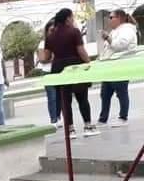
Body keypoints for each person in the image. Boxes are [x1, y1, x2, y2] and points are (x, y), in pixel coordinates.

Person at [40, 8, 98, 137]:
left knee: (65, 100)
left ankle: (70, 129)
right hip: (75, 66)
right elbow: (81, 50)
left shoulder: (50, 36)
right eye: (72, 18)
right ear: (67, 18)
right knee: (82, 97)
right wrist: (89, 63)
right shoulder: (74, 32)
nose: (73, 20)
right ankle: (88, 126)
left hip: (59, 68)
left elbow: (46, 57)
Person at [98, 9, 138, 127]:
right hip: (110, 66)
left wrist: (108, 38)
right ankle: (103, 118)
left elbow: (121, 45)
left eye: (111, 17)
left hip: (120, 66)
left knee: (121, 92)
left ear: (119, 18)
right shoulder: (115, 31)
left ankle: (123, 117)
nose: (109, 20)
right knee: (105, 93)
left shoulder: (127, 30)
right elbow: (109, 48)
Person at [38, 19, 61, 127]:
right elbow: (42, 59)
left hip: (58, 71)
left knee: (59, 96)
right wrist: (53, 57)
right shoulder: (43, 43)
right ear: (47, 31)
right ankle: (53, 120)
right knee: (52, 97)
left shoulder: (60, 41)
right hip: (47, 72)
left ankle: (58, 116)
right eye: (51, 30)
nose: (53, 32)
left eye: (55, 30)